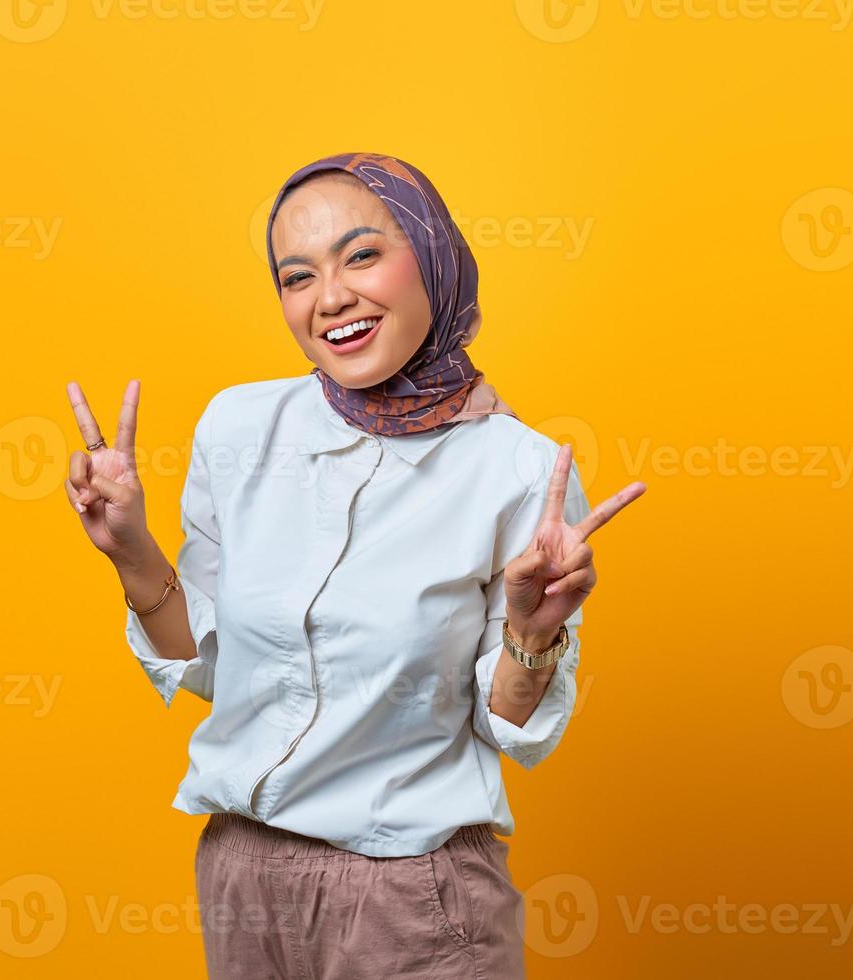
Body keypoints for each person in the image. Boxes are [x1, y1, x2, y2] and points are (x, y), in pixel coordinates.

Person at [63, 152, 646, 979]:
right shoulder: (239, 427)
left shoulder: (519, 470)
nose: (329, 297)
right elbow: (209, 671)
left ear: (434, 259)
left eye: (362, 255)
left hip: (410, 896)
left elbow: (509, 728)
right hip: (240, 875)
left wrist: (531, 634)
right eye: (296, 276)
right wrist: (131, 551)